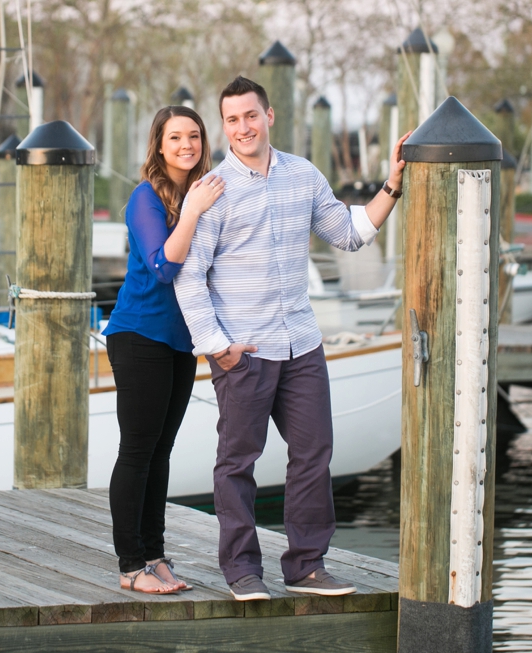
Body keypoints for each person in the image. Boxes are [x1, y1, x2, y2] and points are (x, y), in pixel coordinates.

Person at [174, 76, 409, 601]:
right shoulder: (212, 189)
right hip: (243, 350)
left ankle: (306, 566)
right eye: (231, 120)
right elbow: (191, 278)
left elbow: (348, 234)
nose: (242, 128)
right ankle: (241, 571)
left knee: (313, 454)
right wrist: (217, 346)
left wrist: (392, 184)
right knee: (238, 462)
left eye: (250, 116)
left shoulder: (303, 176)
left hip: (301, 344)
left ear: (269, 115)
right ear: (224, 125)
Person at [103, 105, 225, 594]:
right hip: (140, 336)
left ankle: (154, 555)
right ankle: (131, 565)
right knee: (137, 451)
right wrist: (193, 211)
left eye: (193, 136)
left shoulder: (206, 191)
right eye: (175, 137)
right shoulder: (145, 198)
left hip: (181, 339)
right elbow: (162, 267)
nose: (186, 145)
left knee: (162, 451)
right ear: (158, 144)